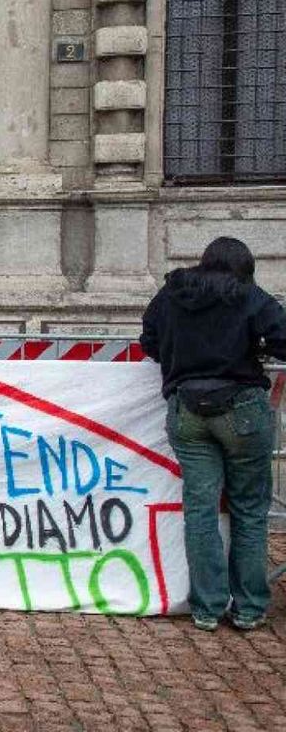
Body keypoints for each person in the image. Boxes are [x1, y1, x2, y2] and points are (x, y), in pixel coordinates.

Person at [140, 236, 286, 632]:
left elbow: (149, 340)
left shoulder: (173, 293)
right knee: (248, 510)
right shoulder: (248, 295)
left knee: (200, 510)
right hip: (242, 408)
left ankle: (206, 607)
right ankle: (250, 606)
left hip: (188, 409)